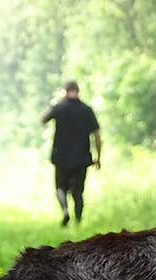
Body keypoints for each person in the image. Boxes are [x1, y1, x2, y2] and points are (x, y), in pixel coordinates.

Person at [41, 80, 101, 226]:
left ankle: (65, 211)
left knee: (60, 188)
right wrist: (98, 157)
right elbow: (97, 135)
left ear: (65, 91)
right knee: (78, 192)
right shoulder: (86, 109)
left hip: (60, 157)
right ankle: (78, 222)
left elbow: (43, 119)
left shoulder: (59, 107)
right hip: (82, 157)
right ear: (78, 90)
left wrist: (55, 104)